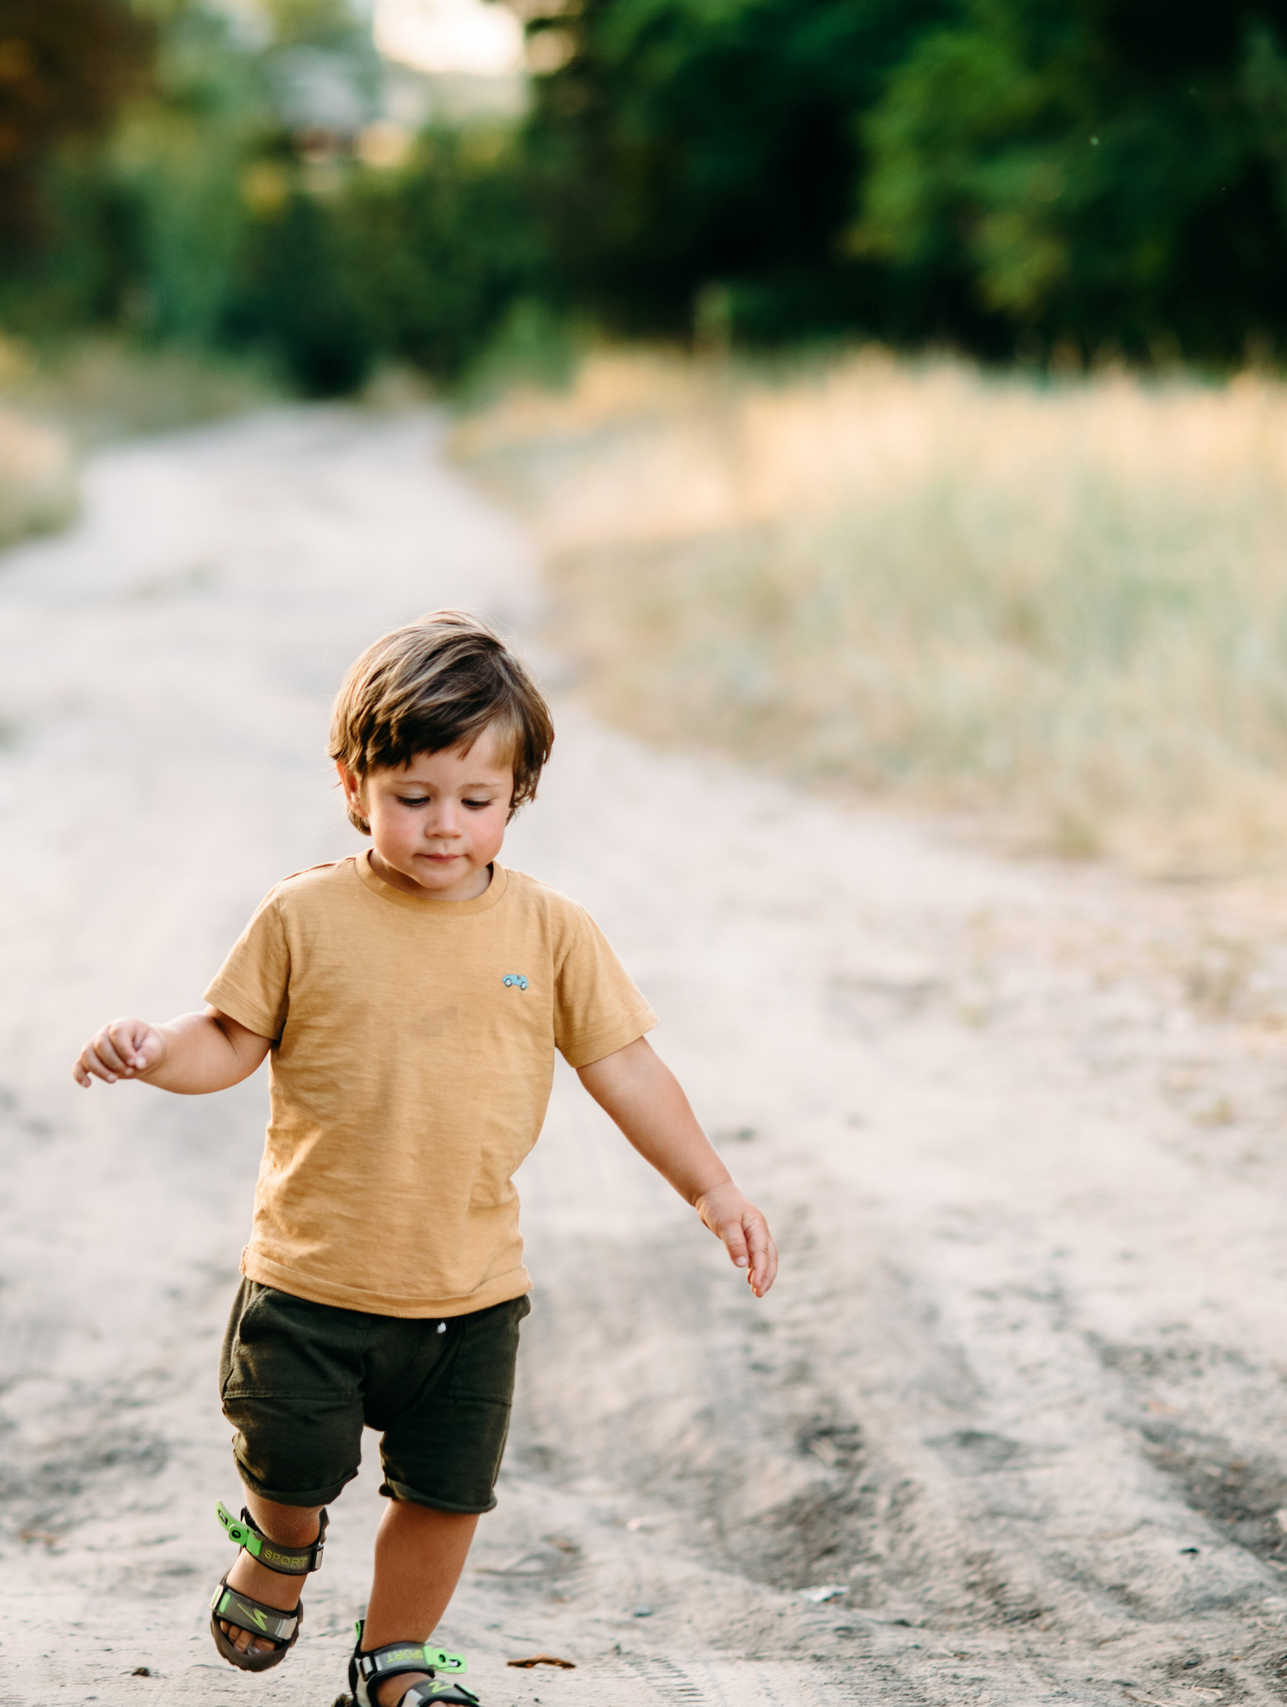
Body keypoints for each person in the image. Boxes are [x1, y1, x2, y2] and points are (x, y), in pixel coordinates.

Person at [72, 611, 776, 1707]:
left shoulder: (550, 933)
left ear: (516, 797)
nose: (443, 827)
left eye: (474, 801)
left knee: (446, 1496)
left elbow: (626, 1067)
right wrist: (155, 1050)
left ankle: (393, 1658)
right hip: (310, 1281)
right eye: (412, 798)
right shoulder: (305, 915)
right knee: (290, 1469)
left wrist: (712, 1185)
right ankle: (280, 1546)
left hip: (469, 1292)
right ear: (354, 785)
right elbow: (227, 1037)